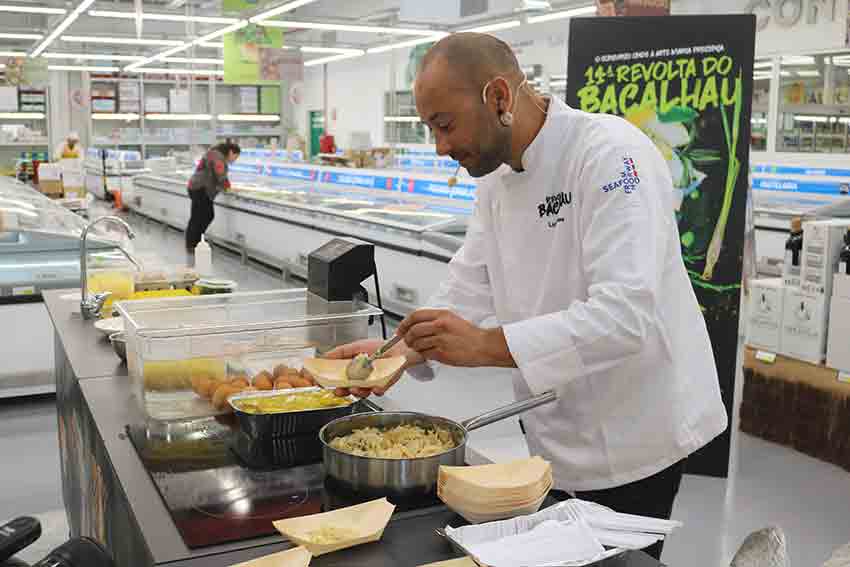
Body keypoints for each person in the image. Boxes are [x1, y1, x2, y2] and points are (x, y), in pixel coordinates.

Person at [329, 33, 727, 560]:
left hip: (635, 430)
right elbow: (469, 281)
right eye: (430, 129)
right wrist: (398, 353)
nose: (440, 147)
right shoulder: (496, 180)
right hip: (556, 429)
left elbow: (625, 316)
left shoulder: (611, 156)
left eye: (445, 125)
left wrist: (486, 346)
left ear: (498, 97)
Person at [186, 141, 240, 255]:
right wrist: (228, 188)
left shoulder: (214, 154)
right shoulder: (217, 156)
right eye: (235, 157)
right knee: (205, 216)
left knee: (197, 217)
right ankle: (193, 243)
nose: (234, 160)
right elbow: (220, 175)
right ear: (231, 152)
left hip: (196, 187)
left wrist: (225, 187)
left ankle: (193, 243)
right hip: (200, 189)